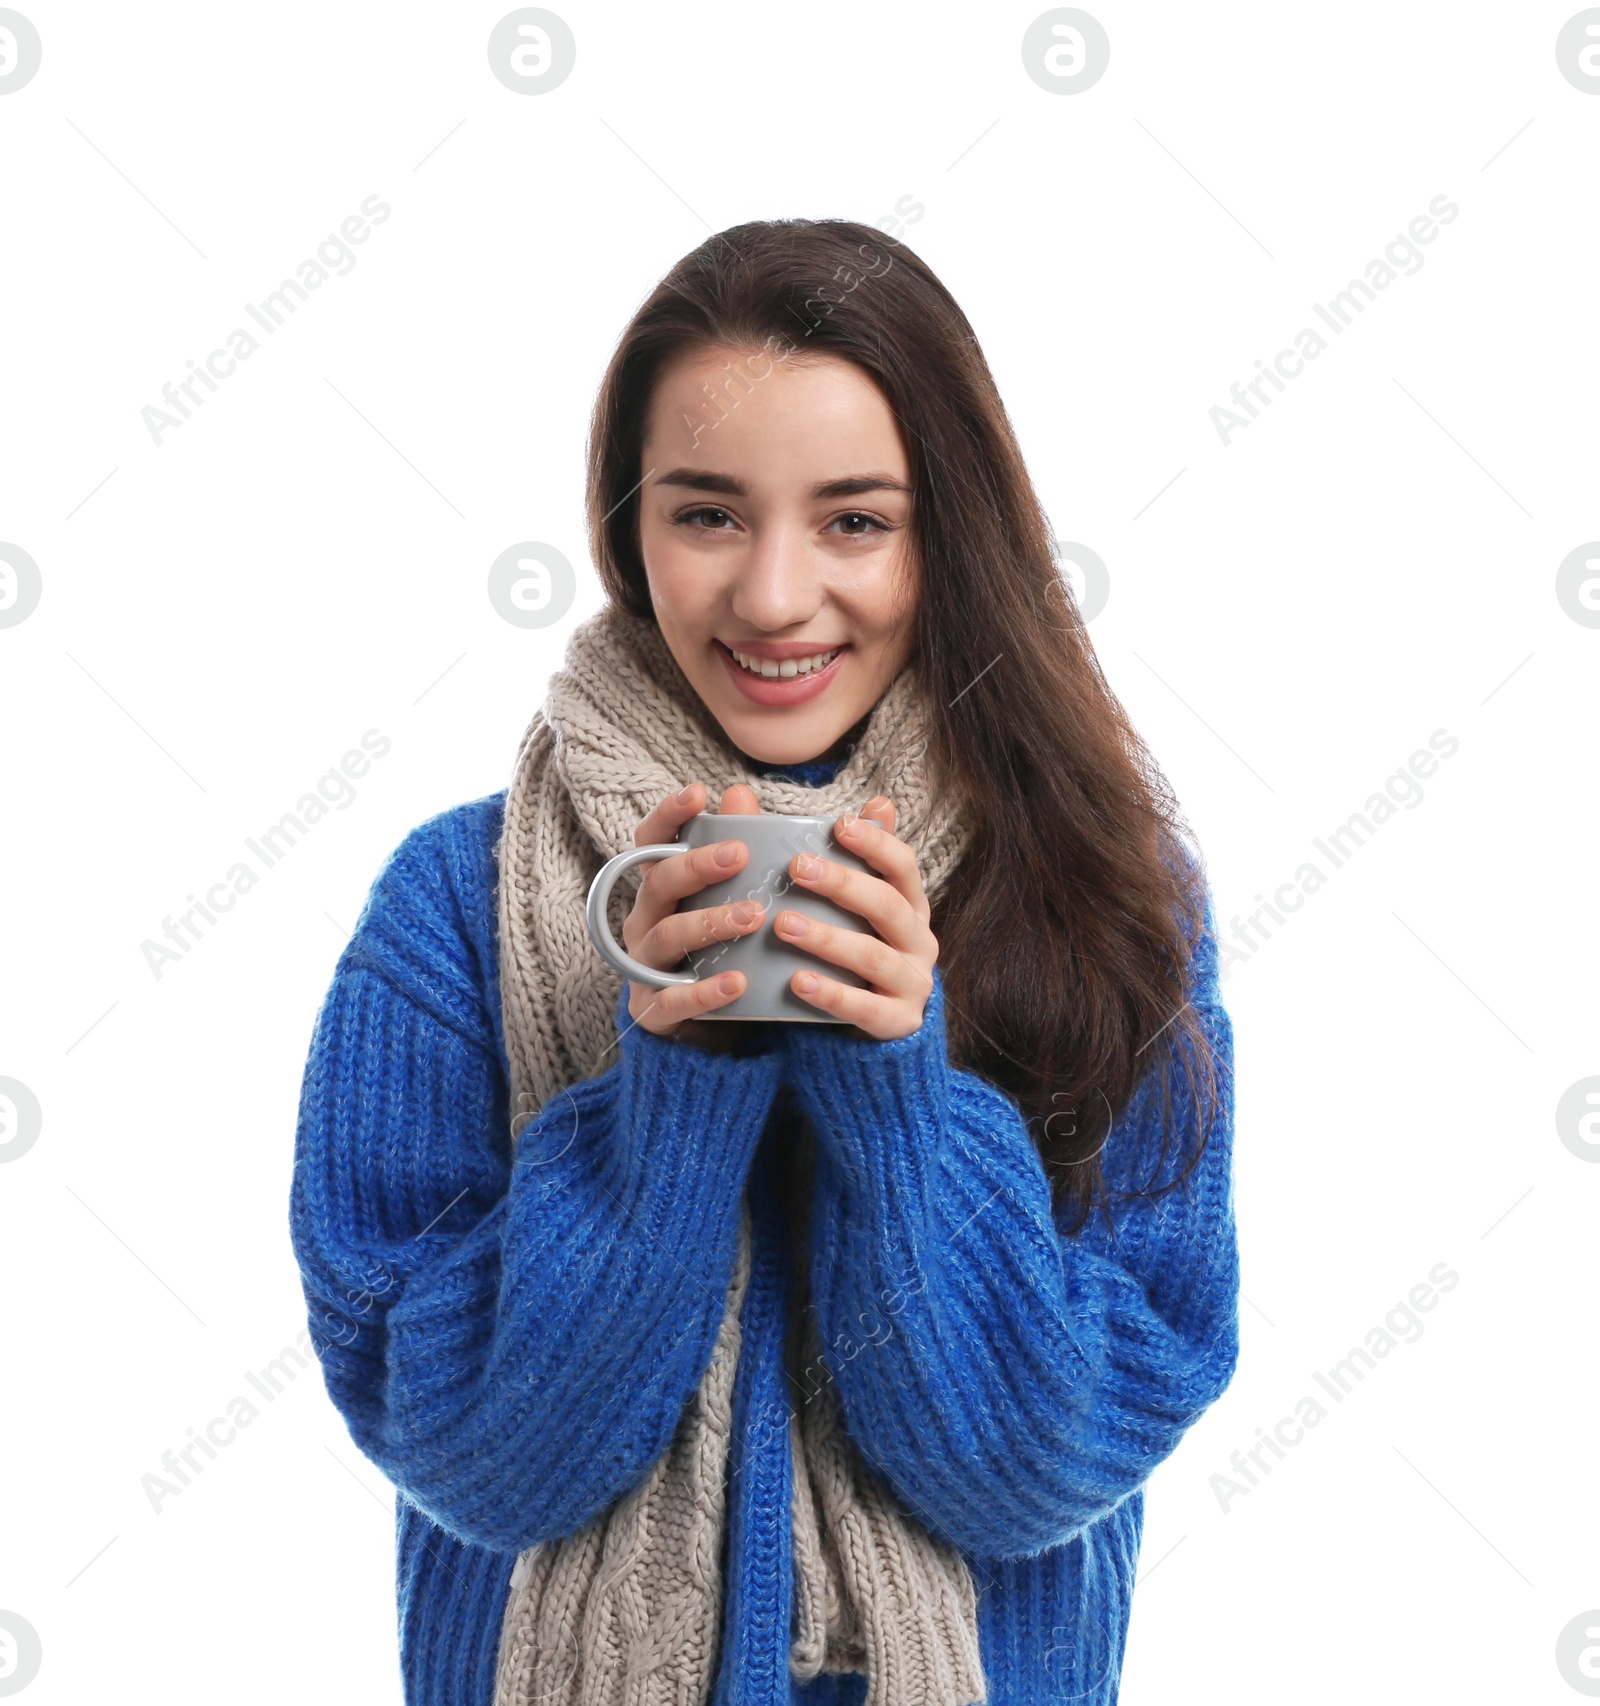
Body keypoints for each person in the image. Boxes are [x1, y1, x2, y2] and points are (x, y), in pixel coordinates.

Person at [290, 218, 1239, 1706]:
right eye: (709, 515)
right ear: (626, 526)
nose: (777, 597)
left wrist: (895, 1102)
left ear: (952, 533)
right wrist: (668, 1094)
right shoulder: (454, 906)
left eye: (855, 520)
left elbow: (1032, 1473)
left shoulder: (1111, 897)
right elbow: (477, 1456)